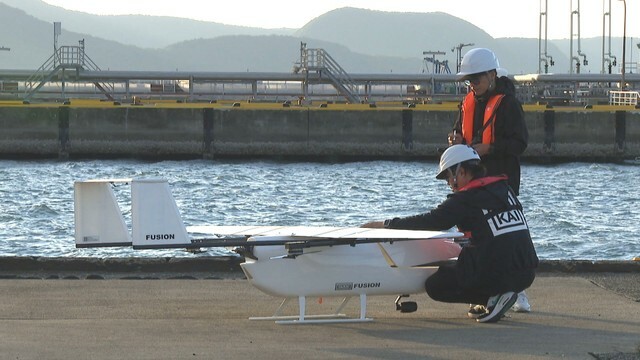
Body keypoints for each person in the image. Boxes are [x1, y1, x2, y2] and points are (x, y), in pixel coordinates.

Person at [362, 145, 538, 323]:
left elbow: (429, 221)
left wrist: (385, 225)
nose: (448, 183)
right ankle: (499, 296)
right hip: (527, 272)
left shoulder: (466, 199)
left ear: (461, 171)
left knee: (436, 285)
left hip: (498, 272)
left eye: (448, 176)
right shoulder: (505, 190)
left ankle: (492, 299)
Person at [449, 48, 531, 312]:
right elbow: (458, 129)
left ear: (492, 75)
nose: (473, 85)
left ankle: (518, 292)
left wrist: (490, 149)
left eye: (477, 79)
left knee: (505, 235)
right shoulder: (467, 103)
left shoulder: (508, 104)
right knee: (478, 236)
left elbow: (520, 143)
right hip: (474, 181)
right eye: (469, 81)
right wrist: (457, 141)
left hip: (502, 180)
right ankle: (484, 291)